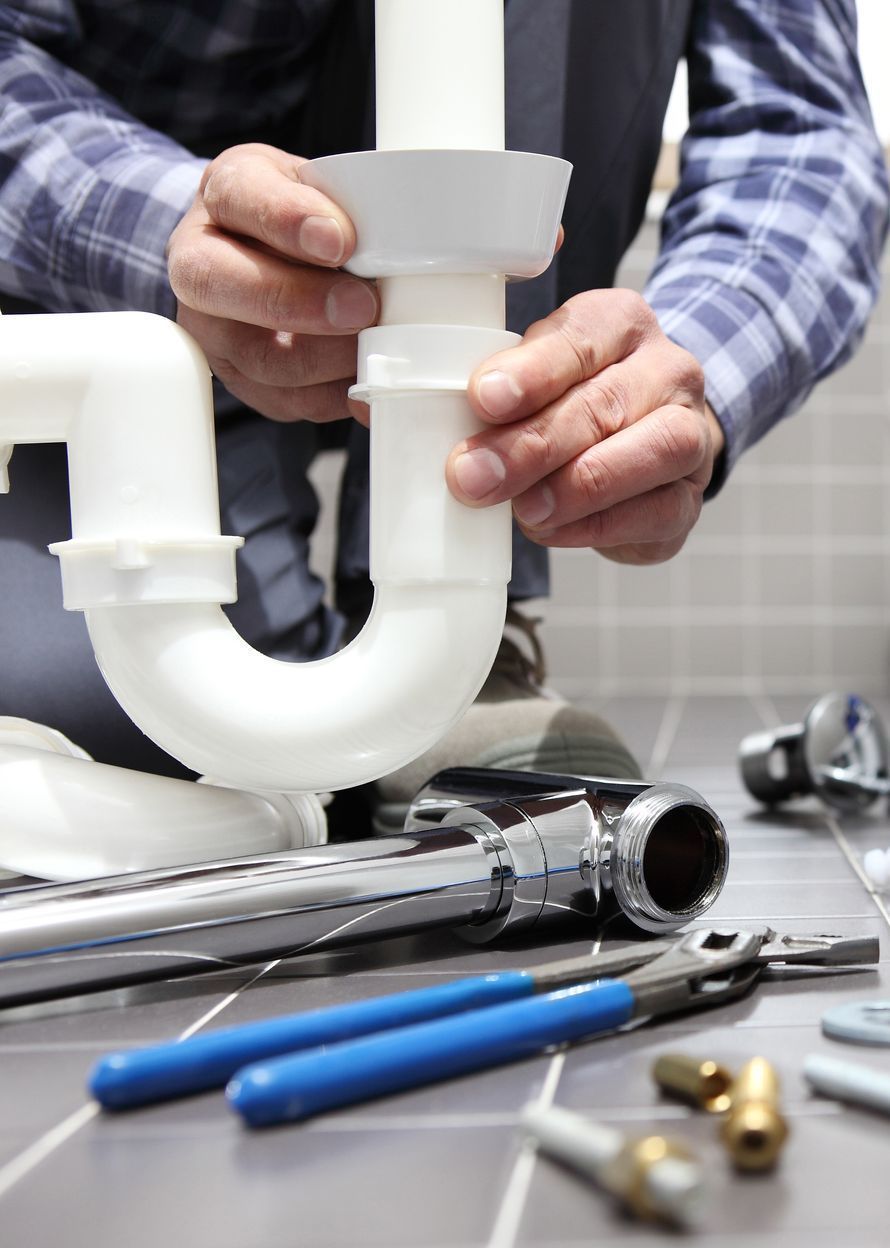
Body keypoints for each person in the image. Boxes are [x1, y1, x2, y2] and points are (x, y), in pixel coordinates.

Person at [0, 0, 886, 830]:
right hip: (97, 318)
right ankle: (363, 661)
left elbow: (804, 131)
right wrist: (175, 236)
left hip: (460, 345)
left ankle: (456, 644)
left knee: (262, 763)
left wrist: (669, 371)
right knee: (106, 721)